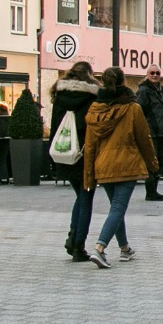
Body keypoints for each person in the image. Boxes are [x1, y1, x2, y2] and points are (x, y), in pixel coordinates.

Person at [81, 67, 159, 269]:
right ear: (124, 82)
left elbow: (89, 146)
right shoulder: (132, 109)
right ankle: (100, 248)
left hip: (103, 165)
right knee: (117, 208)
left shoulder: (94, 111)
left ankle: (124, 248)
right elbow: (144, 139)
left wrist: (88, 176)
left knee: (116, 208)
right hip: (127, 164)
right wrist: (153, 164)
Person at [50, 62, 102, 261]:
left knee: (80, 197)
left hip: (64, 152)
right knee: (85, 199)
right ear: (89, 75)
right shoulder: (92, 97)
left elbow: (56, 125)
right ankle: (78, 244)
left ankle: (73, 238)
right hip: (85, 152)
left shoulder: (59, 95)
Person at [135, 66, 163, 202]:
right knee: (152, 162)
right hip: (151, 133)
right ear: (147, 74)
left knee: (160, 162)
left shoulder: (161, 90)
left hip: (162, 133)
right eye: (152, 73)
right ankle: (150, 192)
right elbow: (139, 112)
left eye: (157, 73)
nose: (155, 75)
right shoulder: (144, 91)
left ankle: (154, 190)